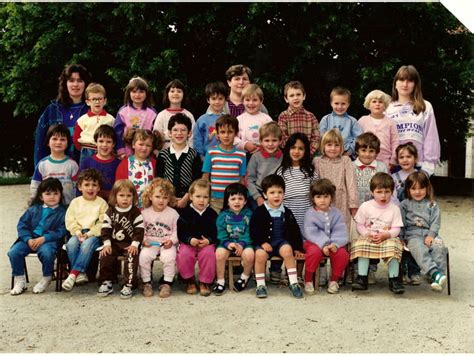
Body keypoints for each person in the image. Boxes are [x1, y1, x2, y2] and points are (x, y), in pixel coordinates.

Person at [9, 178, 67, 295]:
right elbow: (22, 225)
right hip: (29, 239)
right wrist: (27, 239)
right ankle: (20, 280)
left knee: (46, 253)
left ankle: (46, 277)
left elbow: (62, 230)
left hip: (48, 240)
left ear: (61, 195)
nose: (52, 196)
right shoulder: (33, 210)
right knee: (14, 252)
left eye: (56, 193)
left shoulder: (63, 212)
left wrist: (45, 238)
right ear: (41, 197)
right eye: (48, 193)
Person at [250, 174, 304, 299]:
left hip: (281, 242)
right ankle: (261, 285)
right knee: (260, 255)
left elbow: (295, 231)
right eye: (272, 192)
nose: (276, 195)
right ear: (265, 195)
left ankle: (293, 282)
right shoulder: (259, 211)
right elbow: (253, 230)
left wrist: (297, 247)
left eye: (280, 192)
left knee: (287, 250)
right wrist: (262, 242)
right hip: (264, 243)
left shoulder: (287, 212)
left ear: (284, 194)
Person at [274, 133, 318, 285]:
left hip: (306, 212)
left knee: (303, 243)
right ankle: (288, 274)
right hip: (288, 212)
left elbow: (315, 193)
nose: (296, 151)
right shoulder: (281, 171)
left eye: (301, 148)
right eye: (293, 148)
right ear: (287, 149)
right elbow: (278, 193)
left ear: (306, 151)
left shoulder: (311, 171)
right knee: (289, 241)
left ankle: (299, 274)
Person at [350, 172, 405, 294]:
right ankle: (362, 277)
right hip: (369, 236)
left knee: (394, 247)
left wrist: (387, 235)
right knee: (361, 245)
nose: (383, 196)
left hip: (388, 237)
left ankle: (394, 279)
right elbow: (359, 225)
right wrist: (366, 234)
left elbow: (397, 228)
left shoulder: (394, 209)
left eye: (387, 192)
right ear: (372, 192)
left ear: (392, 192)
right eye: (379, 192)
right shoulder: (365, 206)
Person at [385, 65, 440, 176]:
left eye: (410, 80)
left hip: (418, 165)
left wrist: (427, 168)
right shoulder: (386, 107)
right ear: (395, 83)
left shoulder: (425, 106)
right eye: (401, 80)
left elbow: (431, 137)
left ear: (415, 84)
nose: (405, 84)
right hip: (392, 165)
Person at [34, 63, 92, 166]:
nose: (75, 84)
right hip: (55, 169)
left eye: (80, 80)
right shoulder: (52, 110)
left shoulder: (92, 110)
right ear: (65, 83)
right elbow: (40, 145)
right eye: (71, 80)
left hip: (84, 170)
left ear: (85, 84)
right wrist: (40, 172)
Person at [400, 172, 447, 292]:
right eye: (413, 188)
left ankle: (439, 277)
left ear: (427, 188)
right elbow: (401, 223)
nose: (417, 192)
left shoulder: (432, 205)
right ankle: (434, 273)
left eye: (421, 188)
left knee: (439, 246)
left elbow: (436, 223)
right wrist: (401, 238)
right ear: (408, 189)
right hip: (412, 235)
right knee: (419, 249)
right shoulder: (404, 204)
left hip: (429, 233)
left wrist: (431, 236)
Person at [62, 169, 108, 291]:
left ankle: (73, 274)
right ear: (80, 187)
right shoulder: (75, 202)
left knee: (87, 245)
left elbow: (103, 223)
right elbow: (70, 220)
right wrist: (77, 232)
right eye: (86, 185)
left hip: (94, 235)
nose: (90, 188)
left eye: (94, 185)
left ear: (98, 188)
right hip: (77, 233)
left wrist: (89, 233)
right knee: (71, 244)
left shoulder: (101, 203)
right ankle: (80, 273)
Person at [97, 179, 144, 299]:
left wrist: (135, 244)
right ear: (115, 196)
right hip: (113, 243)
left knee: (132, 256)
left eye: (129, 195)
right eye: (121, 195)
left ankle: (128, 284)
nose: (125, 198)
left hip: (129, 243)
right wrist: (106, 244)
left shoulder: (135, 212)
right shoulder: (110, 211)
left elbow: (139, 231)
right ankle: (106, 282)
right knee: (106, 255)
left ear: (133, 197)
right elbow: (105, 229)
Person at [353, 132, 388, 285]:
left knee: (374, 237)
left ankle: (372, 269)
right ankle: (356, 269)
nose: (367, 154)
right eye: (363, 150)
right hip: (356, 210)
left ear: (377, 152)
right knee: (357, 239)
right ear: (357, 151)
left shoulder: (381, 166)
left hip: (376, 211)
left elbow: (386, 188)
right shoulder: (351, 165)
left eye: (371, 151)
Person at [303, 179, 349, 294]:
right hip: (313, 242)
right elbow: (311, 232)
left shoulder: (336, 213)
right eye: (318, 197)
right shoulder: (310, 213)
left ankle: (334, 280)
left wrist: (335, 244)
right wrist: (324, 244)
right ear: (313, 198)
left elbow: (340, 230)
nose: (322, 200)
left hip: (332, 243)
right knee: (314, 252)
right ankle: (308, 279)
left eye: (326, 196)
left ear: (331, 198)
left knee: (342, 254)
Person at [139, 178, 179, 298]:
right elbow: (140, 230)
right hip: (150, 243)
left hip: (166, 243)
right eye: (158, 197)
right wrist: (143, 240)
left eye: (165, 197)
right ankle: (146, 282)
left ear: (169, 199)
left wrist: (172, 241)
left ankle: (167, 283)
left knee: (169, 257)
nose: (161, 200)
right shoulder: (144, 213)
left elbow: (177, 231)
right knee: (144, 256)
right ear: (150, 196)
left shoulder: (173, 214)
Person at [177, 179, 218, 296]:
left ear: (209, 198)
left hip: (206, 243)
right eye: (198, 196)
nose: (201, 200)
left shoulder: (212, 214)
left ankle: (204, 282)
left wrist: (209, 240)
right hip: (189, 243)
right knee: (184, 254)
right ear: (190, 196)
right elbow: (181, 232)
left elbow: (216, 232)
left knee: (209, 254)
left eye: (205, 197)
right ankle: (189, 280)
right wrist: (189, 240)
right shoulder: (185, 213)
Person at [313, 129, 358, 230]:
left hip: (341, 201)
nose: (333, 148)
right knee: (323, 226)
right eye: (329, 145)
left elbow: (351, 183)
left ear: (341, 146)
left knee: (342, 227)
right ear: (323, 146)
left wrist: (353, 204)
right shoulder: (317, 161)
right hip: (322, 201)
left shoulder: (345, 160)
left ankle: (342, 245)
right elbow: (314, 183)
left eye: (336, 145)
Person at [213, 183, 254, 296]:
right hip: (227, 243)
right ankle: (220, 280)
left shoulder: (249, 215)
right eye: (233, 198)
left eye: (240, 198)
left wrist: (241, 244)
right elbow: (220, 233)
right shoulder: (222, 216)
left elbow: (250, 233)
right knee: (219, 254)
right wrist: (228, 243)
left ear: (245, 201)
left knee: (250, 255)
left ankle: (244, 277)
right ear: (227, 201)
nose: (237, 202)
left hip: (245, 243)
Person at [202, 115, 246, 214]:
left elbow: (242, 180)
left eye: (230, 132)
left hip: (234, 200)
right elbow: (205, 178)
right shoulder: (211, 153)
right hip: (214, 200)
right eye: (222, 132)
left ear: (236, 133)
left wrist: (241, 198)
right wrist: (205, 196)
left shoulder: (241, 154)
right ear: (217, 134)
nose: (226, 135)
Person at [156, 113, 202, 210]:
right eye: (175, 130)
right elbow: (159, 180)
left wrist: (186, 198)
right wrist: (169, 198)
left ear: (189, 133)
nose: (179, 133)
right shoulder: (163, 155)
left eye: (183, 130)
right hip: (166, 201)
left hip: (188, 201)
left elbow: (196, 180)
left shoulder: (194, 155)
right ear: (169, 133)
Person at [392, 143, 422, 284]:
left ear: (415, 158)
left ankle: (414, 272)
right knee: (400, 243)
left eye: (408, 156)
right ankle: (400, 272)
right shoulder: (394, 177)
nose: (405, 160)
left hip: (416, 217)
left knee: (415, 243)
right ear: (397, 160)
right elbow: (392, 198)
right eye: (401, 157)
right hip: (399, 216)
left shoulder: (421, 176)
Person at [30, 124, 79, 206]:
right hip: (47, 208)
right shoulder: (42, 164)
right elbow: (35, 186)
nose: (58, 142)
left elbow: (78, 188)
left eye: (62, 139)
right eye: (54, 139)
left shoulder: (72, 165)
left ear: (68, 143)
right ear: (48, 142)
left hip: (68, 207)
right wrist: (36, 204)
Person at [115, 128, 160, 209]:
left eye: (148, 145)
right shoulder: (125, 163)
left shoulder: (154, 164)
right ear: (133, 144)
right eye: (141, 144)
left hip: (150, 207)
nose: (144, 148)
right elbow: (119, 186)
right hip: (129, 207)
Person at [114, 77, 157, 158]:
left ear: (146, 93)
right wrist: (121, 151)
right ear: (128, 93)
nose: (137, 95)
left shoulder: (152, 113)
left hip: (147, 154)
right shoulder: (123, 111)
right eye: (134, 91)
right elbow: (117, 132)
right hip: (127, 154)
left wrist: (154, 151)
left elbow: (156, 133)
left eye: (141, 92)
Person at [73, 83, 115, 166]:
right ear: (88, 102)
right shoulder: (82, 120)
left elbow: (115, 136)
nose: (97, 102)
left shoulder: (111, 119)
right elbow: (76, 138)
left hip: (105, 150)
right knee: (86, 174)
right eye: (94, 99)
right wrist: (83, 149)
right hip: (87, 150)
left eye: (100, 99)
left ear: (105, 101)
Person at [358, 89, 399, 170]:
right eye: (374, 101)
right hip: (366, 159)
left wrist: (393, 160)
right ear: (368, 105)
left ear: (385, 105)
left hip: (385, 160)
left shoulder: (391, 122)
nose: (377, 104)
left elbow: (395, 141)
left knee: (383, 182)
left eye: (380, 102)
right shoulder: (362, 120)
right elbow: (357, 139)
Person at [277, 81, 320, 156]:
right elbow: (282, 137)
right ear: (286, 99)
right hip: (290, 155)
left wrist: (308, 153)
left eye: (298, 94)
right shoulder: (283, 116)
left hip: (307, 155)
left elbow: (316, 138)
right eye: (292, 95)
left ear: (304, 96)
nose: (296, 98)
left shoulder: (311, 116)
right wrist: (293, 152)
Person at [247, 122, 283, 208]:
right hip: (259, 193)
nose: (270, 144)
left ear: (280, 141)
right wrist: (257, 197)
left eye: (274, 140)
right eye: (267, 140)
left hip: (278, 193)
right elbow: (248, 179)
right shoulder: (256, 157)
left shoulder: (284, 157)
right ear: (260, 141)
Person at [79, 125, 121, 201]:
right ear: (96, 142)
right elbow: (80, 185)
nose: (104, 145)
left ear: (113, 144)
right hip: (91, 201)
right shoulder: (86, 162)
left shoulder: (118, 163)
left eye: (108, 142)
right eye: (101, 141)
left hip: (111, 202)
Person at [319, 87, 363, 158]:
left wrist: (350, 151)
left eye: (343, 103)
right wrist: (326, 151)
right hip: (329, 153)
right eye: (336, 103)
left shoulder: (352, 121)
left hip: (346, 155)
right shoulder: (326, 119)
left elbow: (359, 138)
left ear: (348, 104)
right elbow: (321, 137)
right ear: (331, 103)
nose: (339, 106)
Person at [153, 79, 195, 150]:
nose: (175, 93)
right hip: (165, 156)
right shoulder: (161, 115)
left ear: (183, 94)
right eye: (172, 91)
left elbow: (192, 138)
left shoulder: (188, 115)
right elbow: (156, 137)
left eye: (179, 91)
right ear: (167, 94)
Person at [235, 84, 273, 156]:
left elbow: (273, 136)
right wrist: (245, 144)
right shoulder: (239, 119)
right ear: (242, 101)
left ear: (261, 101)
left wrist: (264, 146)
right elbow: (233, 138)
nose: (251, 103)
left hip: (263, 154)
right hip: (244, 155)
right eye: (247, 100)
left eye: (255, 100)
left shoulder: (266, 119)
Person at [193, 81, 228, 159]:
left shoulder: (228, 119)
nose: (217, 102)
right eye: (213, 98)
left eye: (220, 98)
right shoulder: (202, 120)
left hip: (226, 157)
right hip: (207, 158)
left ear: (225, 100)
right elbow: (197, 139)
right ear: (208, 100)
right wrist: (201, 155)